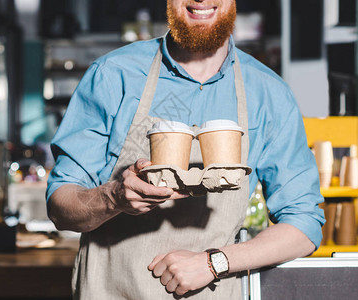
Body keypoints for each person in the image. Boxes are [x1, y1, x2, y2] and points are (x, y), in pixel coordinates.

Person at [47, 0, 325, 299]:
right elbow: (61, 207)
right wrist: (113, 197)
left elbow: (304, 225)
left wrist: (215, 261)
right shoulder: (114, 75)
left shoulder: (269, 94)